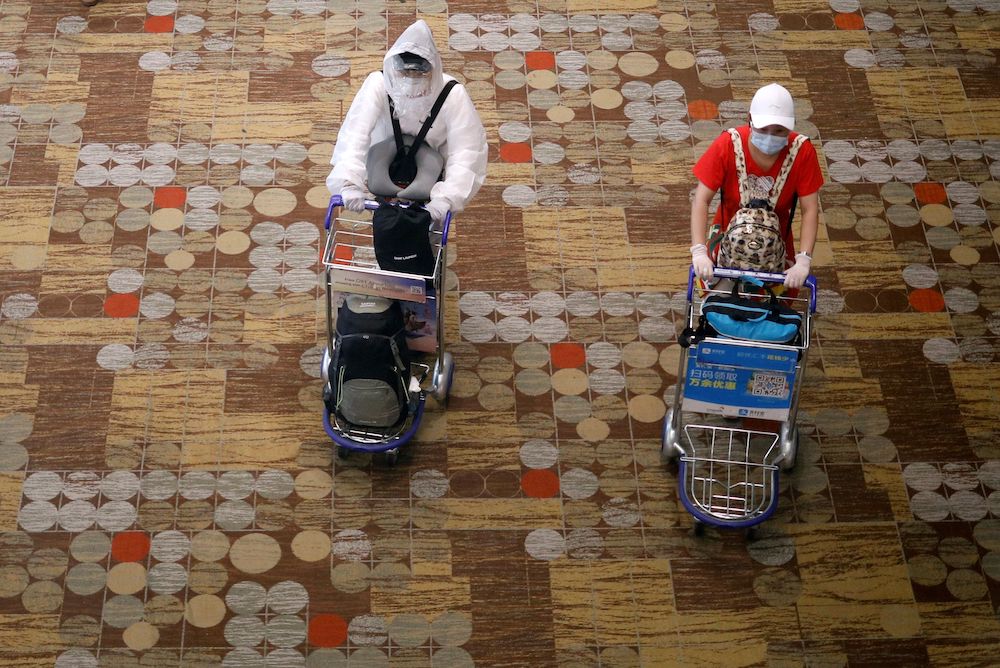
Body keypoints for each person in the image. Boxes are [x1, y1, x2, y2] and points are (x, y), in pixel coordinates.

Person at [326, 19, 487, 223]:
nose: (411, 78)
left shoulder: (452, 94)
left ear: (433, 69)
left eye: (419, 72)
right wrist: (349, 183)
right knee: (386, 227)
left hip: (434, 174)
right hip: (384, 166)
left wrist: (447, 198)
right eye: (405, 72)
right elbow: (354, 134)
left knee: (429, 238)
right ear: (393, 66)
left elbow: (467, 151)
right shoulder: (378, 84)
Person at [689, 83, 823, 289]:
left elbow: (810, 209)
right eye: (764, 129)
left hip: (776, 240)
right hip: (727, 234)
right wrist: (698, 251)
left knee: (772, 304)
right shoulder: (728, 144)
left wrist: (804, 259)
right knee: (719, 301)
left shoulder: (802, 152)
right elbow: (701, 199)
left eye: (779, 131)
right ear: (750, 121)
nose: (770, 136)